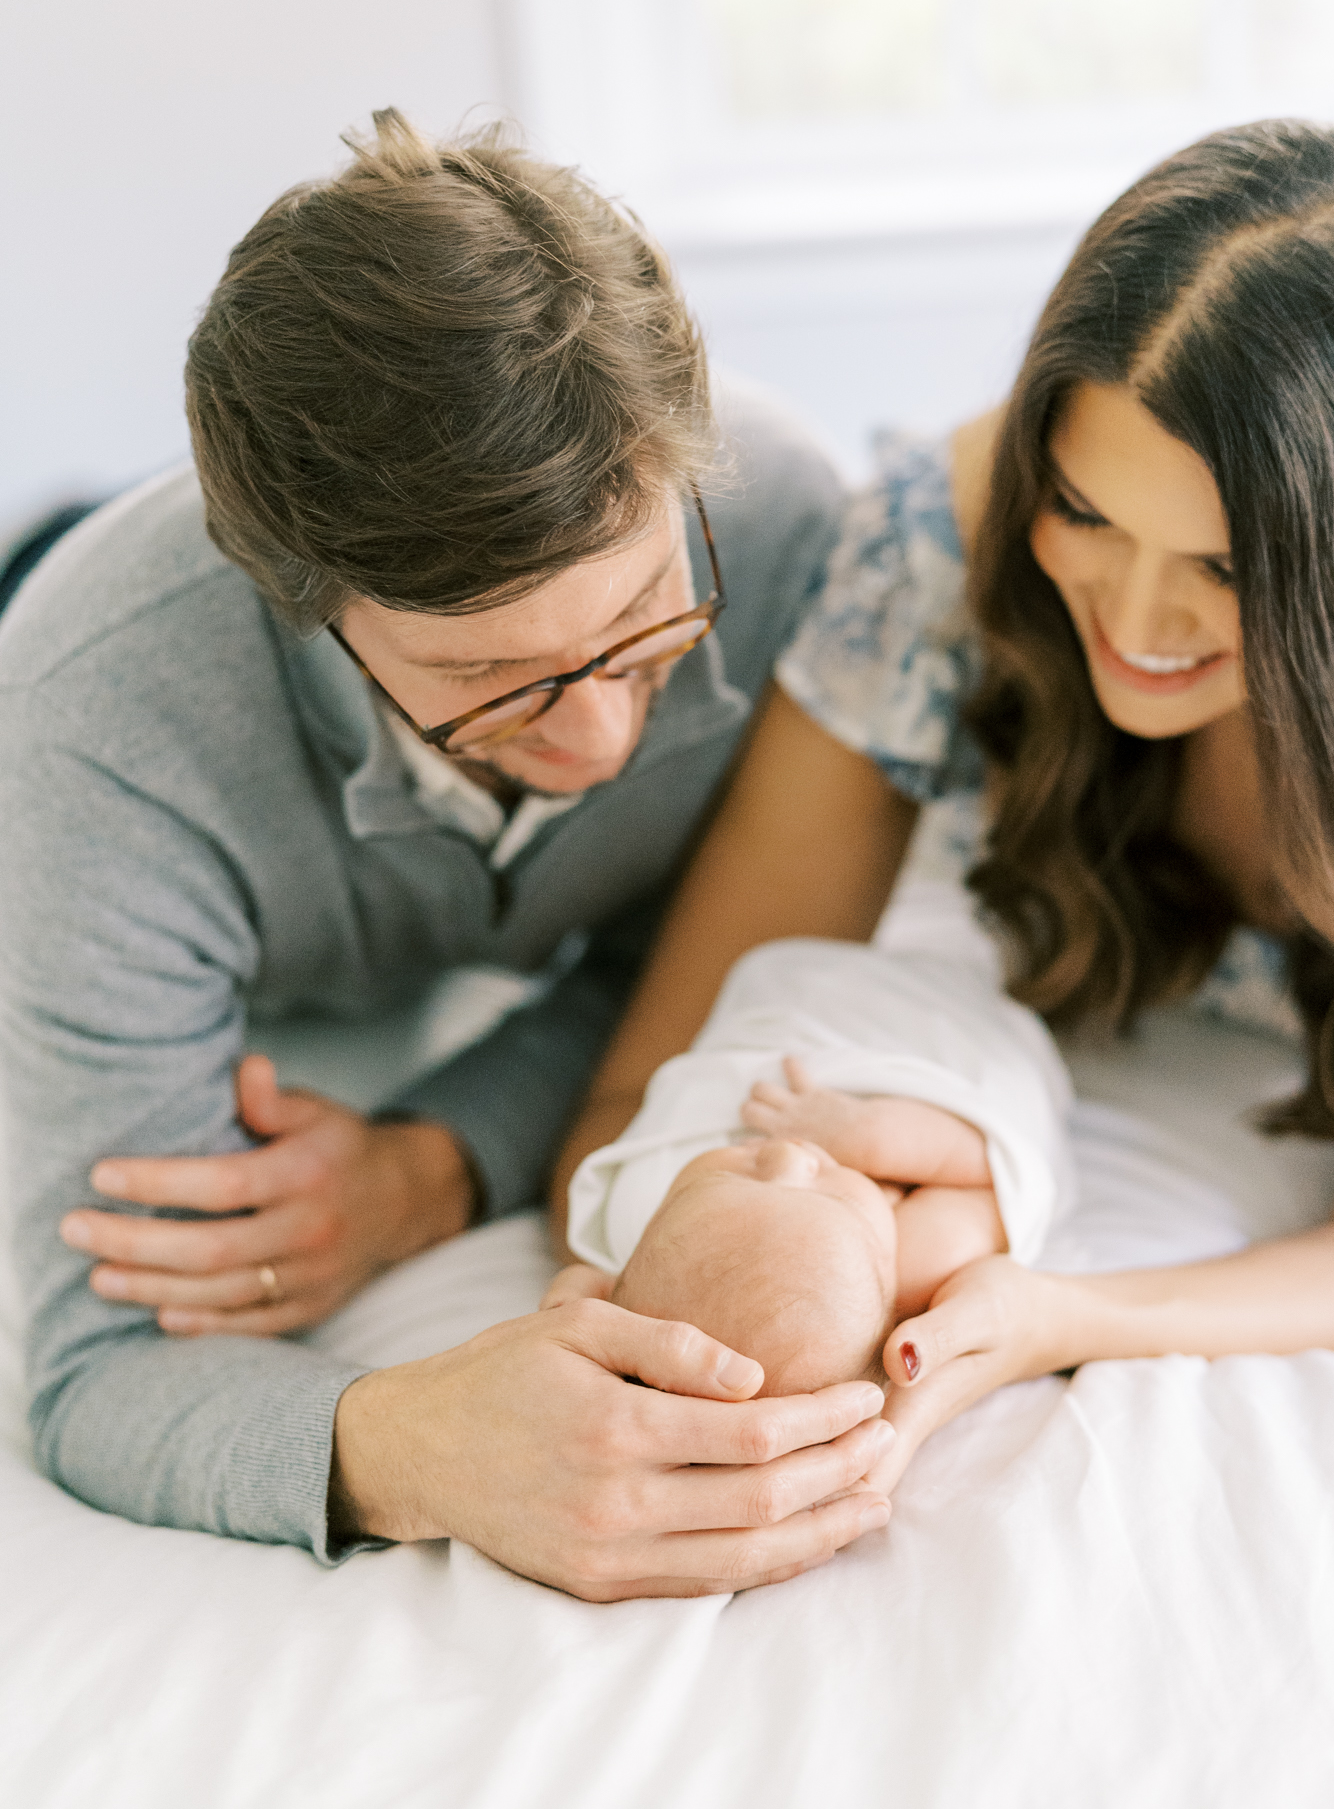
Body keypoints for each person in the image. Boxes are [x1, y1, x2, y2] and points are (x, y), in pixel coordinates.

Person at [0, 110, 897, 1597]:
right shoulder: (84, 738)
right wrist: (415, 1444)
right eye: (503, 681)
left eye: (645, 630)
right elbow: (90, 1367)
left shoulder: (794, 527)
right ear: (308, 605)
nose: (605, 742)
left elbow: (678, 962)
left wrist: (432, 1167)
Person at [550, 119, 1334, 1502]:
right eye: (1082, 508)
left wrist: (1052, 1313)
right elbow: (651, 1082)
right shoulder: (940, 545)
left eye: (1226, 570)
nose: (1130, 615)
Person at [551, 936, 1075, 1394]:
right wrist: (871, 1138)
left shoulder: (640, 1225)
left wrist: (580, 1291)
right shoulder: (917, 1266)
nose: (788, 1153)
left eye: (732, 1175)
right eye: (832, 1194)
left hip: (807, 1005)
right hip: (950, 1037)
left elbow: (590, 1274)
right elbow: (998, 1170)